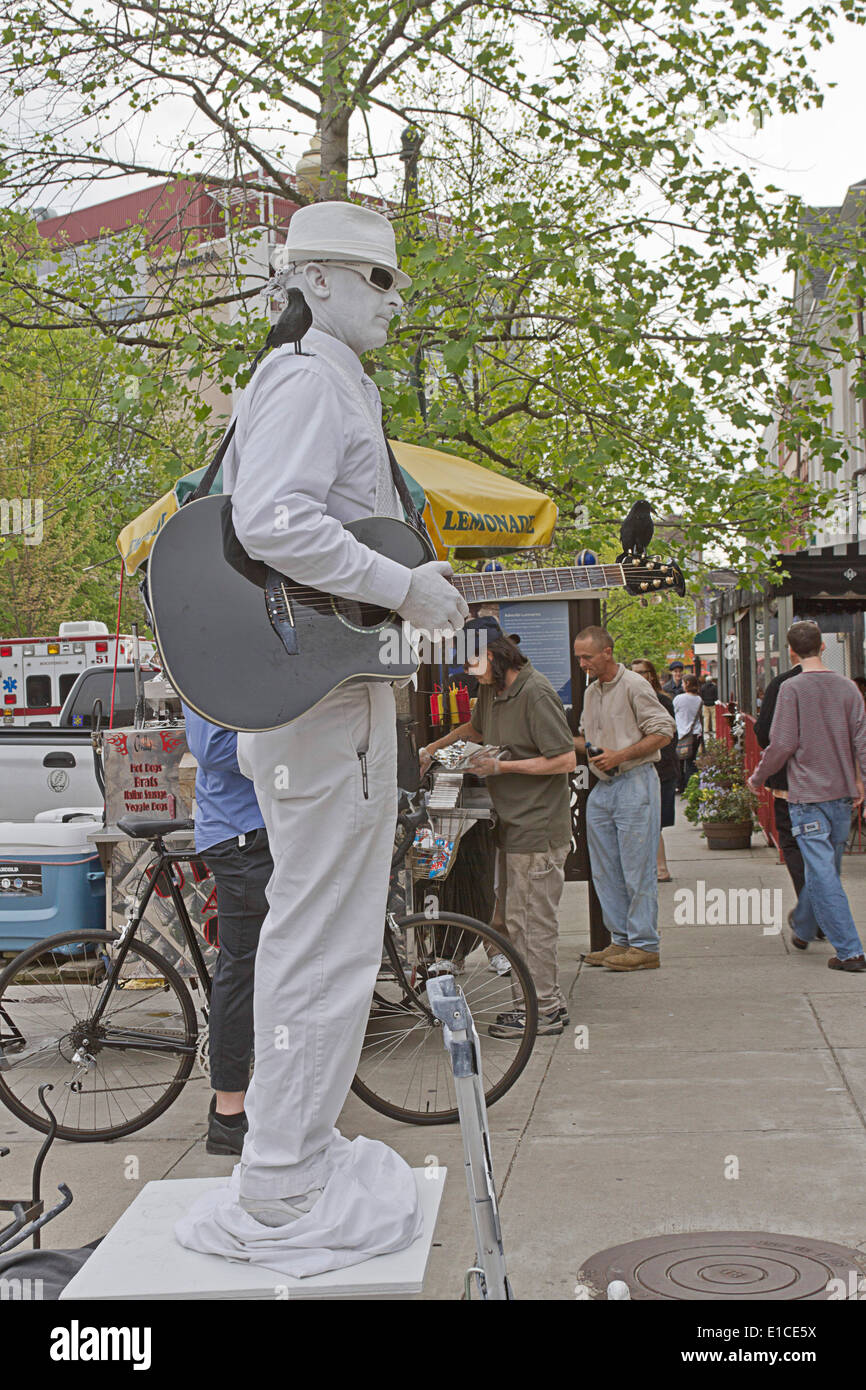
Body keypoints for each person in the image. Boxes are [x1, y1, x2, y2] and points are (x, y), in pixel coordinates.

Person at [175, 202, 469, 1272]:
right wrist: (400, 585)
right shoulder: (307, 377)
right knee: (322, 940)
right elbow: (273, 521)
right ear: (325, 283)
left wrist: (407, 590)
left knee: (330, 936)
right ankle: (286, 1172)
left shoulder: (332, 380)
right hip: (320, 713)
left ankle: (293, 1154)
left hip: (328, 704)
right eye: (380, 282)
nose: (396, 301)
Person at [420, 617, 577, 1035]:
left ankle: (542, 1010)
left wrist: (500, 766)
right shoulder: (493, 689)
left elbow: (564, 760)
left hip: (538, 828)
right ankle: (538, 1003)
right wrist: (432, 749)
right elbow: (476, 728)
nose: (468, 674)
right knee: (513, 922)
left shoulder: (536, 692)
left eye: (471, 663)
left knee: (532, 923)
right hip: (514, 824)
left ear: (491, 654)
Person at [749, 621, 866, 973]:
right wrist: (862, 783)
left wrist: (758, 776)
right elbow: (861, 740)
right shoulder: (848, 688)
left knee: (824, 874)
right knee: (824, 869)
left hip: (807, 796)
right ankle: (804, 925)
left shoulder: (792, 688)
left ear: (791, 650)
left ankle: (850, 950)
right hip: (841, 794)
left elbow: (782, 742)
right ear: (823, 647)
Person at [181, 704, 271, 1157]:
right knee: (242, 969)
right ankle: (229, 1115)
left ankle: (256, 1096)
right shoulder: (207, 657)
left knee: (260, 967)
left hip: (257, 829)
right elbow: (212, 746)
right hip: (240, 834)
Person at [573, 627, 676, 972]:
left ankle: (645, 945)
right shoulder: (591, 692)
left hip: (634, 779)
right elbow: (588, 738)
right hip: (604, 785)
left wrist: (619, 756)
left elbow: (663, 730)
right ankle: (620, 939)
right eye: (578, 657)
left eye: (587, 656)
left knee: (637, 868)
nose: (582, 663)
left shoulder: (634, 684)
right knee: (605, 869)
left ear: (607, 652)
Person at [753, 660, 805, 906]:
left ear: (791, 649)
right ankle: (818, 912)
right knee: (824, 851)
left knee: (794, 845)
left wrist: (760, 775)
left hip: (789, 783)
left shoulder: (782, 684)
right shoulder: (842, 686)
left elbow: (768, 736)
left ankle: (810, 911)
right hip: (832, 786)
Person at [631, 660, 678, 882]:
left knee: (653, 821)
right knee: (647, 821)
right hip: (644, 766)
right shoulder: (633, 698)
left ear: (652, 675)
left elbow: (668, 738)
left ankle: (660, 868)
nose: (639, 677)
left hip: (660, 768)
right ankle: (656, 867)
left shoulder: (661, 701)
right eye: (634, 673)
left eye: (643, 672)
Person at [673, 674, 704, 793]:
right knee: (691, 762)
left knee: (678, 762)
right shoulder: (699, 699)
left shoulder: (678, 699)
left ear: (687, 684)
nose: (681, 685)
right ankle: (692, 786)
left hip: (680, 735)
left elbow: (674, 712)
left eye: (683, 683)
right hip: (694, 734)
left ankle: (679, 785)